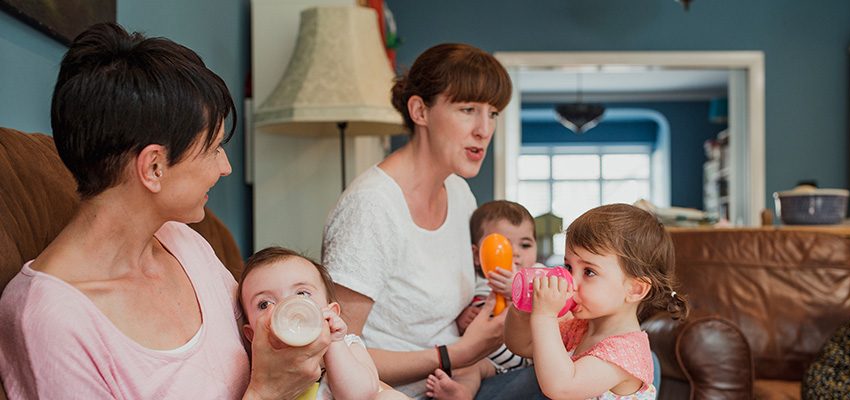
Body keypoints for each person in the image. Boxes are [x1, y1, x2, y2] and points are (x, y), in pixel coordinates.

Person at [0, 22, 328, 399]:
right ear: (154, 167)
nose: (225, 168)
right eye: (213, 149)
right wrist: (265, 393)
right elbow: (267, 383)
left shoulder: (185, 244)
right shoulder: (49, 321)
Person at [322, 43, 545, 399]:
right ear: (419, 111)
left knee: (614, 363)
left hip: (463, 379)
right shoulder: (371, 207)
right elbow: (333, 353)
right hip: (403, 391)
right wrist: (456, 353)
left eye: (493, 114)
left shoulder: (458, 192)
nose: (484, 130)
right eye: (468, 109)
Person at [505, 204, 689, 399]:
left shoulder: (627, 352)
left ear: (635, 290)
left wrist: (545, 316)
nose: (571, 282)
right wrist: (522, 310)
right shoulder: (579, 327)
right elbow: (522, 345)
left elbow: (561, 387)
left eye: (589, 272)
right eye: (568, 267)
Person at [239, 247, 408, 400]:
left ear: (331, 312)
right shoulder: (261, 371)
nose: (288, 306)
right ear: (252, 335)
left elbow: (361, 396)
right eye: (265, 304)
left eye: (302, 294)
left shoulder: (347, 346)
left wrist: (334, 343)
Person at [426, 200, 539, 399]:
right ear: (477, 255)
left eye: (525, 244)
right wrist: (463, 320)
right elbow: (459, 310)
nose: (516, 252)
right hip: (487, 360)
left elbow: (547, 305)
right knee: (468, 370)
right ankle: (462, 394)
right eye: (503, 244)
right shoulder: (474, 281)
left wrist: (516, 289)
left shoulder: (536, 275)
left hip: (528, 357)